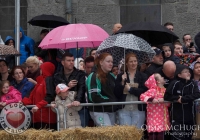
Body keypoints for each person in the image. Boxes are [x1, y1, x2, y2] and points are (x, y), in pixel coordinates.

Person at [164, 64, 200, 140]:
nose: (188, 73)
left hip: (190, 117)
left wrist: (183, 99)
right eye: (185, 72)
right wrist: (177, 98)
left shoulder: (193, 83)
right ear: (179, 75)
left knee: (188, 137)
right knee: (177, 138)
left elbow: (197, 94)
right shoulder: (174, 83)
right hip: (177, 118)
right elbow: (167, 96)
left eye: (189, 71)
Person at [114, 53, 147, 128]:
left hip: (138, 110)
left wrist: (130, 90)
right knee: (126, 134)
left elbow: (143, 91)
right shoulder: (120, 76)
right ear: (126, 63)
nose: (133, 63)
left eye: (135, 61)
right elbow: (117, 93)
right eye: (131, 61)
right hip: (124, 110)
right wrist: (122, 82)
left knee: (137, 134)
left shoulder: (143, 76)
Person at [54, 52, 86, 126]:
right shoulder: (57, 75)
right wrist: (67, 86)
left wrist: (77, 100)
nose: (71, 62)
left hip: (78, 107)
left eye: (72, 60)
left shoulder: (80, 74)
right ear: (62, 62)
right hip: (63, 106)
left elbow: (82, 88)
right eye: (69, 60)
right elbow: (57, 90)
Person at [22, 62, 57, 129]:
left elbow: (50, 96)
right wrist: (22, 102)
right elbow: (31, 96)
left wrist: (38, 106)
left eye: (41, 69)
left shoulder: (48, 80)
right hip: (38, 116)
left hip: (46, 117)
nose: (40, 71)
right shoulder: (40, 81)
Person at [86, 53, 117, 126]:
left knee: (113, 135)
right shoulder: (94, 76)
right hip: (99, 110)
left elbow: (115, 93)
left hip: (111, 110)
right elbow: (94, 96)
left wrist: (122, 82)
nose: (111, 64)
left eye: (112, 62)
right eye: (108, 61)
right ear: (101, 62)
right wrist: (111, 101)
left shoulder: (112, 76)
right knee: (107, 134)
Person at [140, 74, 170, 140]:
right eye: (161, 77)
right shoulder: (152, 90)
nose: (163, 77)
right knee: (152, 136)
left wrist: (165, 101)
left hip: (163, 117)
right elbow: (142, 96)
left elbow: (169, 103)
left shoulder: (165, 90)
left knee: (161, 136)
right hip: (153, 117)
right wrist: (151, 99)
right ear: (158, 81)